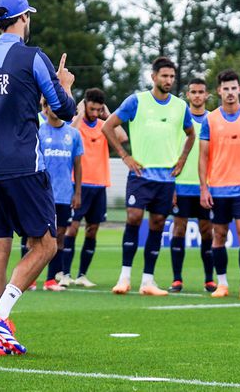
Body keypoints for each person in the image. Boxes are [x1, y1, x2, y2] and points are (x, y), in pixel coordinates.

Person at [0, 0, 76, 355]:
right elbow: (63, 108)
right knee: (46, 245)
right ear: (24, 18)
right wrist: (66, 85)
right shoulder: (33, 57)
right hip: (25, 167)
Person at [104, 58, 196, 296]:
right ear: (153, 77)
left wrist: (182, 159)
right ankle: (124, 278)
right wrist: (125, 156)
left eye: (172, 77)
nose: (169, 80)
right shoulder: (137, 101)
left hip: (166, 178)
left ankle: (148, 281)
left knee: (157, 224)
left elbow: (191, 134)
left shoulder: (180, 106)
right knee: (134, 218)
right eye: (164, 76)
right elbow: (108, 126)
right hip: (140, 175)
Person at [198, 69, 240, 300]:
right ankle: (223, 283)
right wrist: (204, 188)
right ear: (219, 91)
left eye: (233, 88)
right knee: (219, 235)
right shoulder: (210, 119)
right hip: (218, 187)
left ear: (239, 89)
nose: (230, 93)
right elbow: (203, 156)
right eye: (225, 89)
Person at [168, 77, 217, 293]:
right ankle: (177, 279)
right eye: (193, 92)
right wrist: (172, 184)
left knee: (207, 232)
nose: (197, 96)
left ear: (207, 95)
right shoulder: (179, 121)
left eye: (201, 92)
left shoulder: (214, 121)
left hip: (205, 186)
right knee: (179, 228)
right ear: (187, 95)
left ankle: (209, 279)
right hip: (181, 185)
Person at [60, 88, 111, 288]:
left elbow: (122, 136)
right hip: (78, 184)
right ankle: (64, 273)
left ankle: (82, 274)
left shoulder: (103, 125)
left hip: (99, 185)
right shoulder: (76, 125)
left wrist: (108, 115)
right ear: (85, 104)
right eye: (92, 108)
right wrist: (79, 113)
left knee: (92, 230)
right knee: (71, 229)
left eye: (99, 109)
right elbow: (67, 133)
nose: (95, 113)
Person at [36, 97, 83, 291]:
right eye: (50, 105)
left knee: (60, 235)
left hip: (64, 193)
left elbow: (78, 165)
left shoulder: (73, 134)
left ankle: (51, 280)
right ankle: (28, 279)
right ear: (45, 108)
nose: (54, 109)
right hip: (40, 193)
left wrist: (77, 192)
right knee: (33, 235)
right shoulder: (37, 132)